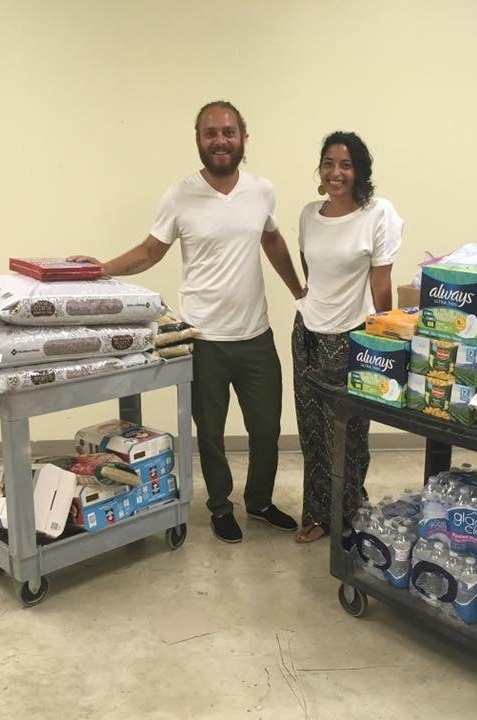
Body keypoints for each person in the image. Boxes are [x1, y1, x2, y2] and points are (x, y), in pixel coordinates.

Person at [69, 100, 305, 544]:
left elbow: (273, 242)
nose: (220, 140)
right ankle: (220, 505)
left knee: (267, 430)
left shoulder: (261, 191)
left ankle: (259, 502)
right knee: (211, 434)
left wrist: (299, 291)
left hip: (255, 336)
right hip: (203, 338)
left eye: (228, 132)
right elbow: (150, 251)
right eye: (210, 133)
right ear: (198, 140)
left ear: (243, 138)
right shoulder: (179, 195)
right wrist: (101, 269)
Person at [292, 131, 403, 543]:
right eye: (328, 163)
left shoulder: (377, 214)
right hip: (307, 331)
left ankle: (351, 515)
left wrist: (386, 336)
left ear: (359, 171)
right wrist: (309, 300)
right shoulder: (308, 214)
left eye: (345, 164)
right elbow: (310, 268)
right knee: (312, 431)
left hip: (353, 334)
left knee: (349, 434)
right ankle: (319, 516)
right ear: (320, 170)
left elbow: (381, 281)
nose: (335, 172)